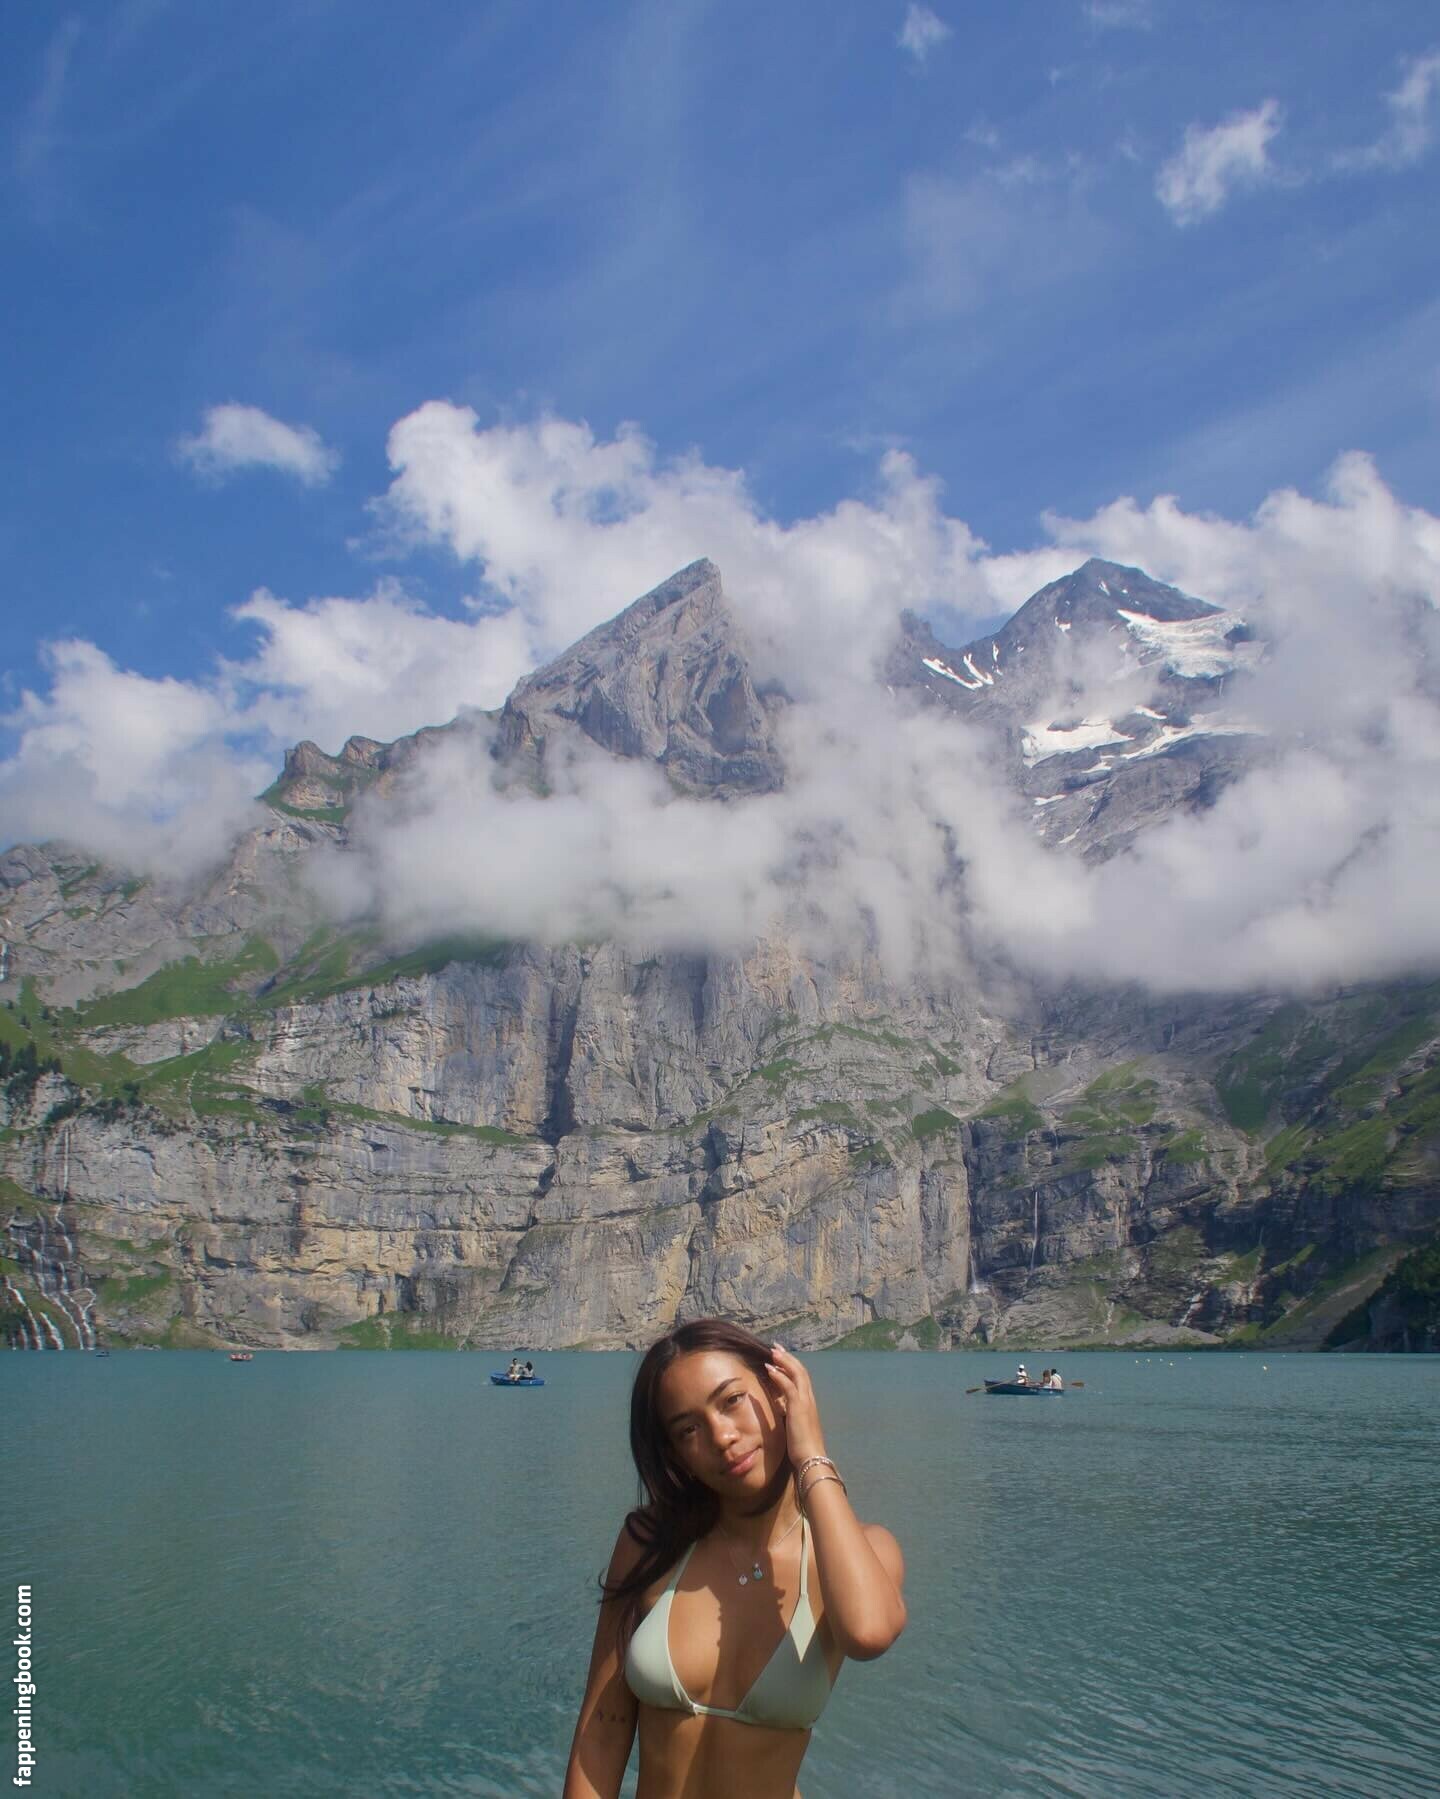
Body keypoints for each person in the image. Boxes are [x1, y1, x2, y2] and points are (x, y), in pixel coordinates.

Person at [563, 1319, 906, 1799]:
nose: (721, 1436)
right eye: (688, 1429)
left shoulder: (864, 1549)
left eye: (732, 1400)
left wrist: (811, 1454)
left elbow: (867, 1634)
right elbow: (603, 1728)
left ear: (779, 1389)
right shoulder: (651, 1542)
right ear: (675, 1453)